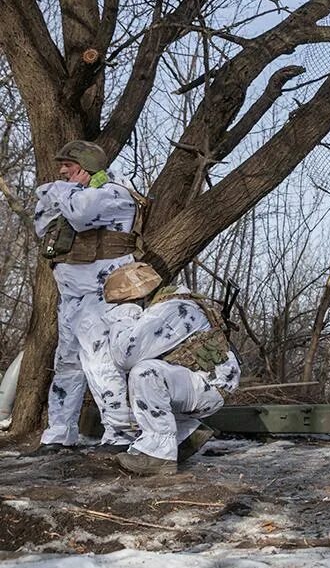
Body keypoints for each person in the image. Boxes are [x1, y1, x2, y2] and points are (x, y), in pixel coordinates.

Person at [24, 141, 142, 456]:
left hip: (105, 293)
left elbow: (79, 214)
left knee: (99, 360)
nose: (61, 172)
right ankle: (60, 433)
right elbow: (41, 222)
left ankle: (118, 433)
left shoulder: (115, 193)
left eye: (69, 166)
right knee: (66, 363)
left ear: (88, 168)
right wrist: (60, 193)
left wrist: (57, 191)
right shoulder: (79, 192)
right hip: (73, 296)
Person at [100, 262, 241, 475]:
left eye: (120, 303)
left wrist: (123, 317)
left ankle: (158, 455)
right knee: (151, 372)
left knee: (145, 373)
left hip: (209, 386)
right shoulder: (178, 302)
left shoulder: (168, 311)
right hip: (207, 383)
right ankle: (187, 435)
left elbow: (124, 356)